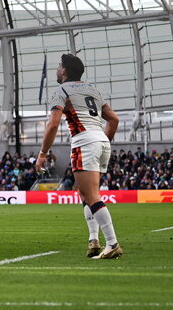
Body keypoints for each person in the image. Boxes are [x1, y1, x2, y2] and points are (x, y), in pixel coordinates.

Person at [36, 53, 122, 259]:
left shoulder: (61, 90)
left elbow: (54, 124)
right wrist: (103, 141)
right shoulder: (93, 90)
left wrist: (42, 154)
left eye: (58, 66)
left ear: (64, 70)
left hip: (84, 142)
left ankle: (112, 243)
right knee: (85, 194)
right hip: (100, 140)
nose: (57, 69)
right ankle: (93, 240)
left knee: (92, 196)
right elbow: (114, 120)